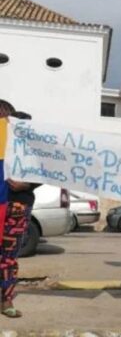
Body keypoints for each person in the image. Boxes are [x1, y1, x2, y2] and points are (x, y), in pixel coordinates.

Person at [0, 110, 40, 318]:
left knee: (9, 258)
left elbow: (46, 173)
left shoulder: (34, 152)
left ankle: (6, 300)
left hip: (18, 207)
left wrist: (26, 184)